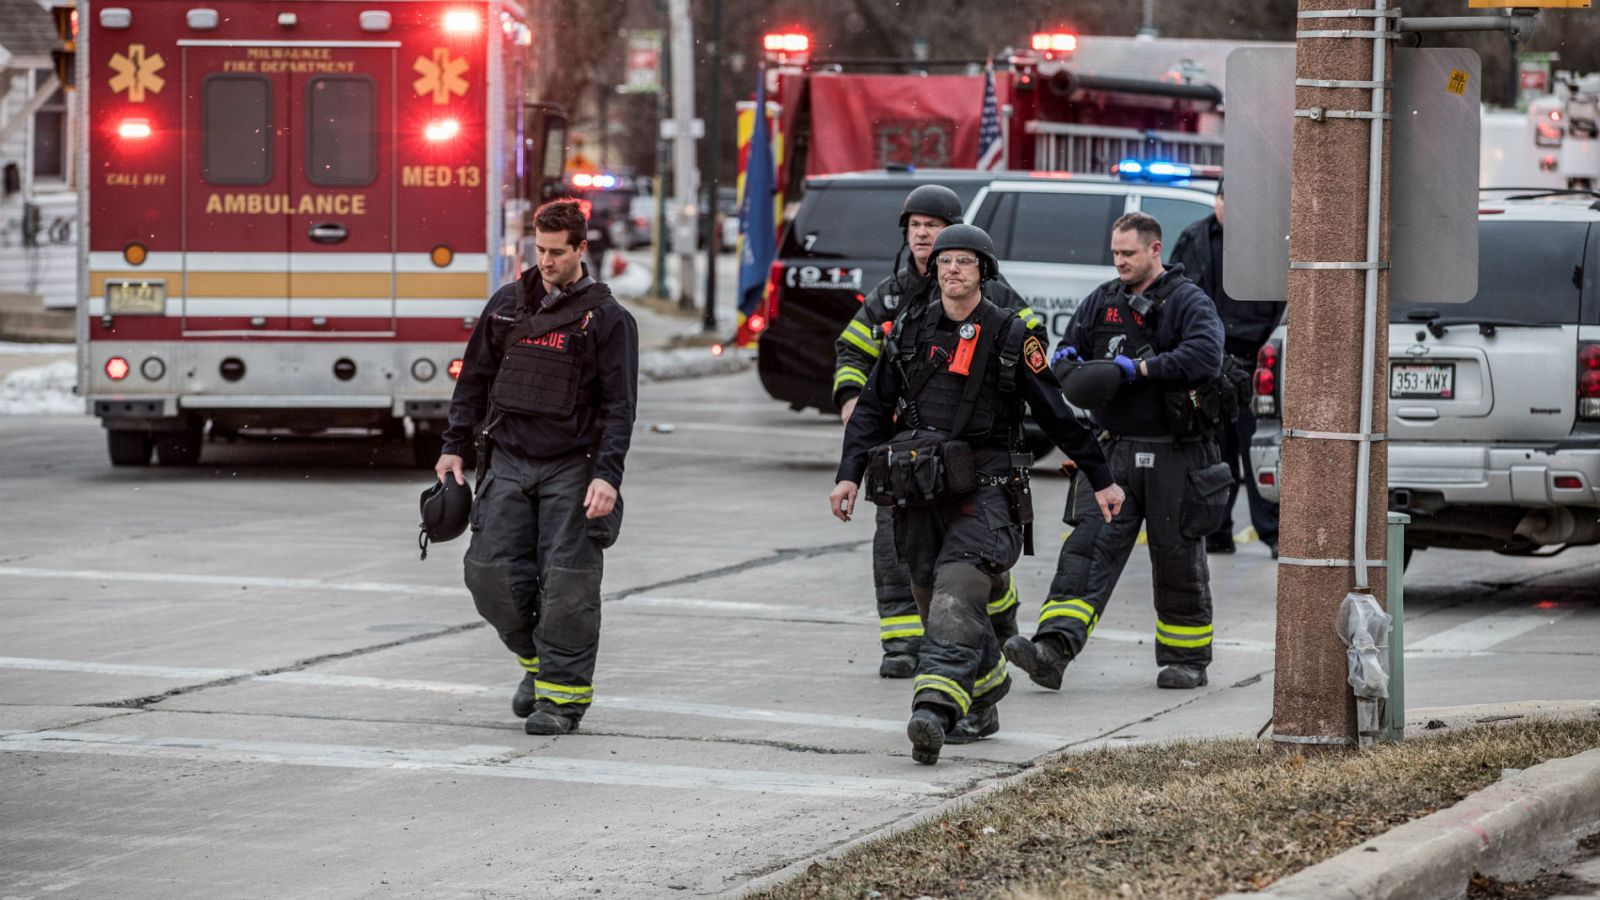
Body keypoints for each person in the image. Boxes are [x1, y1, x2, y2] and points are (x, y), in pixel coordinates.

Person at [830, 224, 1123, 765]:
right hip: (918, 494)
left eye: (964, 262)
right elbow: (872, 407)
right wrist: (848, 473)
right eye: (945, 262)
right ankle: (985, 692)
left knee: (957, 592)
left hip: (987, 494)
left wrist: (1101, 478)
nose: (952, 270)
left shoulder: (1012, 336)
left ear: (983, 272)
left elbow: (1057, 415)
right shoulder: (910, 330)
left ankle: (934, 710)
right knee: (929, 599)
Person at [436, 199, 639, 736]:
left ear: (580, 249)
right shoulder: (507, 306)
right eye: (539, 250)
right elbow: (472, 381)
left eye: (556, 252)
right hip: (507, 460)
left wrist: (608, 476)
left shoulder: (609, 319)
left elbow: (620, 407)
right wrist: (454, 445)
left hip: (573, 469)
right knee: (490, 576)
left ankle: (562, 702)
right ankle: (538, 665)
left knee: (568, 588)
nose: (545, 261)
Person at [1005, 212, 1226, 692]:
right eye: (1115, 254)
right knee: (1086, 550)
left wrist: (1138, 370)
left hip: (1177, 454)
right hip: (1114, 452)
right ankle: (1051, 650)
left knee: (1177, 559)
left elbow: (1205, 356)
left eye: (1128, 254)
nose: (1120, 262)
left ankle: (1186, 659)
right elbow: (1072, 345)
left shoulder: (1189, 301)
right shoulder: (1102, 301)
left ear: (1154, 250)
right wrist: (1065, 361)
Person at [833, 185, 1034, 690]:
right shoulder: (890, 296)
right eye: (915, 226)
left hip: (969, 455)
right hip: (903, 456)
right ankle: (904, 643)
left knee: (972, 556)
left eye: (934, 225)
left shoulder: (995, 295)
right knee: (898, 545)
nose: (923, 234)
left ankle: (999, 621)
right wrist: (853, 400)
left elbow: (1034, 349)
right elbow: (852, 351)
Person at [1170, 177, 1284, 556]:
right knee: (1214, 453)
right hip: (1210, 364)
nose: (1229, 207)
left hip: (1253, 360)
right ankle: (1216, 532)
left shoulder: (1267, 242)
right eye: (1224, 198)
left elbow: (1283, 299)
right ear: (1217, 200)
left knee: (1256, 451)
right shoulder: (1195, 238)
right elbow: (1176, 292)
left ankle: (1273, 534)